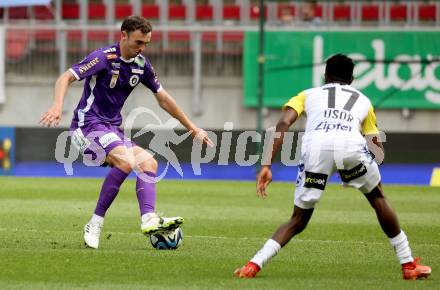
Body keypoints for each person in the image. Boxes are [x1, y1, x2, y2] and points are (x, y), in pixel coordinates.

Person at [234, 54, 431, 280]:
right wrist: (366, 164)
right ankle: (408, 265)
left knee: (298, 220)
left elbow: (283, 123)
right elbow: (378, 152)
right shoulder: (364, 101)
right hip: (351, 148)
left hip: (316, 150)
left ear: (325, 75)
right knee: (377, 197)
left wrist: (267, 164)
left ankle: (253, 265)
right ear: (352, 78)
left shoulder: (307, 95)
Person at [39, 15, 214, 249]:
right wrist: (57, 105)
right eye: (138, 43)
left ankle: (149, 219)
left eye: (146, 44)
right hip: (86, 127)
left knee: (149, 163)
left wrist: (193, 128)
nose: (142, 48)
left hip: (111, 129)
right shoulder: (103, 58)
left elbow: (163, 99)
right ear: (123, 35)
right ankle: (95, 222)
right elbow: (66, 77)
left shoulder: (141, 65)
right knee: (125, 161)